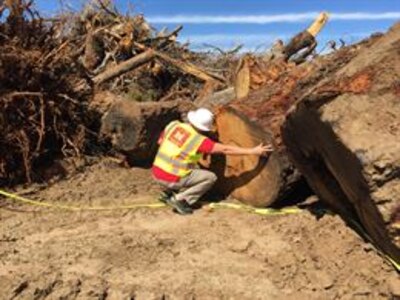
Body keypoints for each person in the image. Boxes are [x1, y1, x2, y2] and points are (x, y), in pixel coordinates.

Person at [152, 108, 273, 215]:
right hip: (172, 179)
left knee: (184, 167)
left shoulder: (174, 125)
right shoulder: (199, 140)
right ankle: (182, 199)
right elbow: (225, 149)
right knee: (210, 177)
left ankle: (167, 193)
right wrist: (252, 151)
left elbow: (161, 142)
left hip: (156, 173)